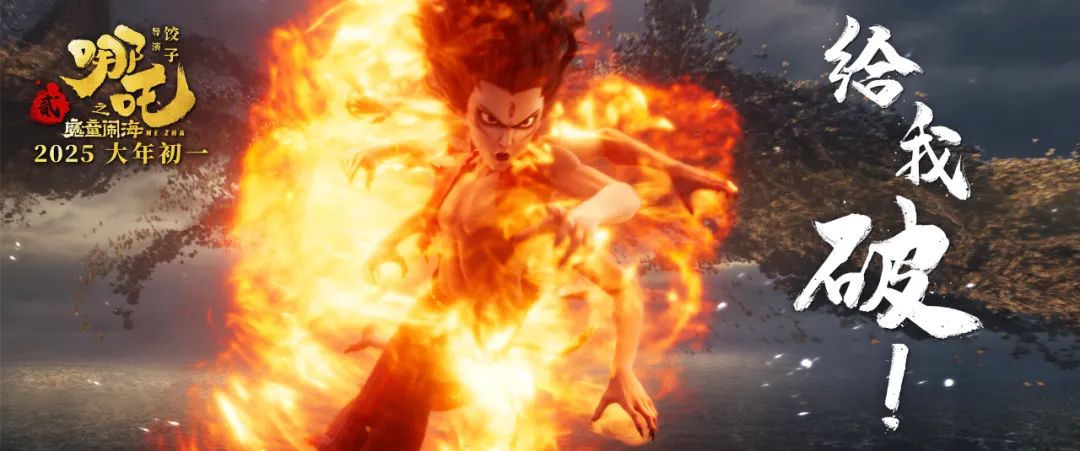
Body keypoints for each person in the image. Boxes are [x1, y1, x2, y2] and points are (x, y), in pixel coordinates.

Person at [315, 1, 733, 449]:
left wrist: (622, 370)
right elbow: (438, 206)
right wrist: (391, 232)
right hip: (430, 317)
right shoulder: (467, 160)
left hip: (468, 344)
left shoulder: (539, 186)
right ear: (466, 109)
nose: (506, 140)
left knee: (397, 410)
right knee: (362, 416)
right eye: (489, 120)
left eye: (524, 123)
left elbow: (622, 205)